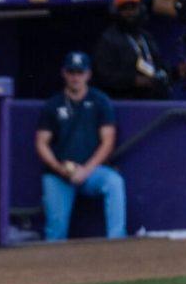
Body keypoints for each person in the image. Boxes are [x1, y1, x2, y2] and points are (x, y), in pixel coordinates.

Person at [35, 52, 127, 242]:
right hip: (59, 174)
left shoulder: (99, 101)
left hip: (91, 171)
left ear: (88, 74)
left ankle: (117, 241)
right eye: (71, 72)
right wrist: (60, 169)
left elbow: (108, 141)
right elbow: (41, 143)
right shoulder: (53, 104)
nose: (75, 77)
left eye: (79, 72)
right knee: (55, 232)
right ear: (64, 73)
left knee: (114, 182)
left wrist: (86, 170)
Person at [93, 0, 170, 99]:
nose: (130, 13)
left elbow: (158, 65)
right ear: (116, 12)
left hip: (153, 99)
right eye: (124, 9)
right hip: (126, 102)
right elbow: (103, 76)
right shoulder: (108, 39)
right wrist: (133, 81)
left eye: (133, 8)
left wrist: (175, 73)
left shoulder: (146, 37)